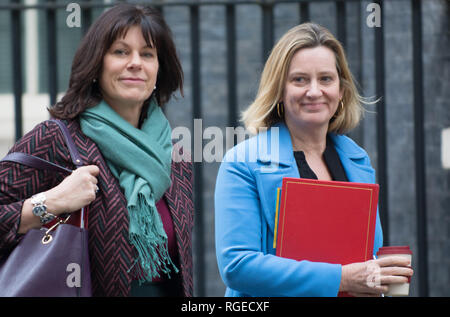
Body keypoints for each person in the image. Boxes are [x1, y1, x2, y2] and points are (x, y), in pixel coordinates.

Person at [0, 4, 193, 297]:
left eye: (148, 54)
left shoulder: (174, 154)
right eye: (120, 52)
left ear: (159, 69)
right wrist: (51, 202)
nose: (135, 63)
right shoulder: (56, 139)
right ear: (96, 64)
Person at [214, 23, 413, 297]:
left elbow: (367, 255)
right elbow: (238, 266)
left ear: (341, 90)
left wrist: (382, 272)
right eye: (299, 80)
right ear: (279, 91)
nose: (314, 91)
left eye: (326, 79)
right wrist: (340, 279)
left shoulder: (357, 159)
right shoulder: (243, 162)